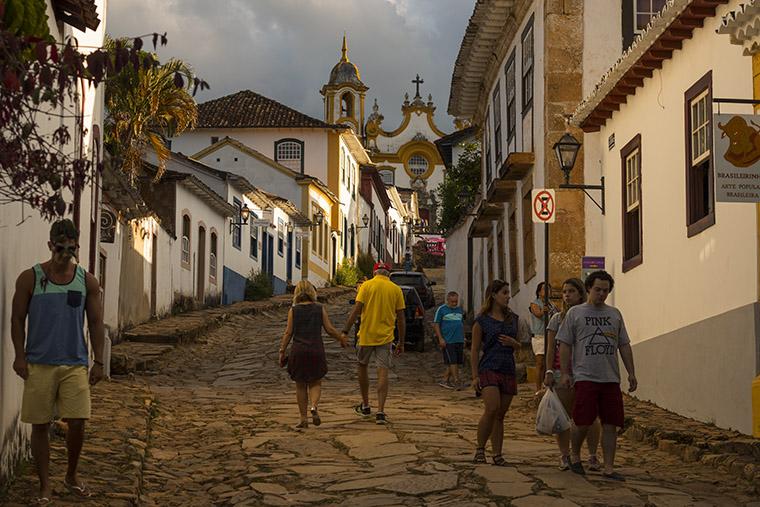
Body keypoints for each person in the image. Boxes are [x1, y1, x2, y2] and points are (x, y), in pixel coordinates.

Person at [11, 219, 105, 504]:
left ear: (77, 246)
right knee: (40, 424)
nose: (66, 253)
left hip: (74, 362)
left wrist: (99, 360)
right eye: (60, 247)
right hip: (39, 363)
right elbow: (17, 319)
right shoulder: (31, 278)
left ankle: (71, 474)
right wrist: (19, 354)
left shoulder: (86, 280)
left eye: (71, 247)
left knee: (78, 420)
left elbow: (97, 322)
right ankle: (44, 485)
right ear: (51, 245)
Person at [558, 270, 637, 480]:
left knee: (611, 424)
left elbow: (624, 344)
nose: (601, 294)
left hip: (610, 377)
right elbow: (564, 344)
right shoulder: (575, 313)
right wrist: (565, 373)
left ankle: (609, 467)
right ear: (589, 289)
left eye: (605, 290)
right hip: (585, 376)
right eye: (598, 289)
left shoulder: (615, 314)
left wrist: (631, 373)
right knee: (582, 422)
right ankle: (575, 455)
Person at [543, 278, 601, 471]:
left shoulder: (590, 316)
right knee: (564, 417)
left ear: (581, 294)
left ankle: (592, 455)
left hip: (586, 371)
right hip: (562, 371)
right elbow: (551, 348)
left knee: (591, 416)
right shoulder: (557, 319)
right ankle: (565, 455)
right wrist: (549, 370)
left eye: (571, 291)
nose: (567, 295)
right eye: (565, 291)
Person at [470, 279, 530, 466]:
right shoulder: (482, 321)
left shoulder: (513, 319)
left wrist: (515, 344)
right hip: (489, 367)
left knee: (501, 414)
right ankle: (480, 448)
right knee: (492, 408)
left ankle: (497, 453)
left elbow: (520, 345)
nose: (508, 296)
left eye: (508, 292)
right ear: (494, 295)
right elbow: (474, 349)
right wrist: (474, 376)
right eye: (504, 292)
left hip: (507, 368)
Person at [341, 261, 405, 425]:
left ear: (374, 272)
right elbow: (401, 319)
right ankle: (381, 411)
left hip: (366, 335)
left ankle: (366, 404)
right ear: (388, 274)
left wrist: (345, 331)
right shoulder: (396, 289)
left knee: (362, 366)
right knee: (382, 372)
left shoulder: (366, 286)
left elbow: (356, 310)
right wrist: (401, 342)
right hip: (386, 337)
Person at [279, 280, 348, 428]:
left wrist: (282, 351)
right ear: (312, 292)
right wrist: (341, 338)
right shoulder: (319, 308)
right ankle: (314, 407)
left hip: (298, 351)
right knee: (316, 382)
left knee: (300, 385)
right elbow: (329, 329)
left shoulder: (293, 310)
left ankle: (303, 419)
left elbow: (288, 332)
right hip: (316, 350)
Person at [433, 291, 466, 389]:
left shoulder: (460, 310)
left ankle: (445, 380)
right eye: (452, 302)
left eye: (456, 301)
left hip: (458, 339)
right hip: (448, 340)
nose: (454, 304)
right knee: (453, 361)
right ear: (448, 300)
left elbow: (461, 324)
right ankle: (457, 381)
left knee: (455, 362)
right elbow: (436, 324)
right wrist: (440, 338)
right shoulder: (441, 310)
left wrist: (463, 338)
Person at [529, 282, 557, 394]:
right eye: (544, 289)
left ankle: (547, 387)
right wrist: (544, 310)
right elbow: (538, 314)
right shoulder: (534, 303)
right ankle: (538, 388)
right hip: (539, 336)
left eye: (549, 289)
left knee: (548, 362)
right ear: (539, 292)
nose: (547, 291)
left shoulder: (552, 304)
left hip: (550, 335)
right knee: (540, 363)